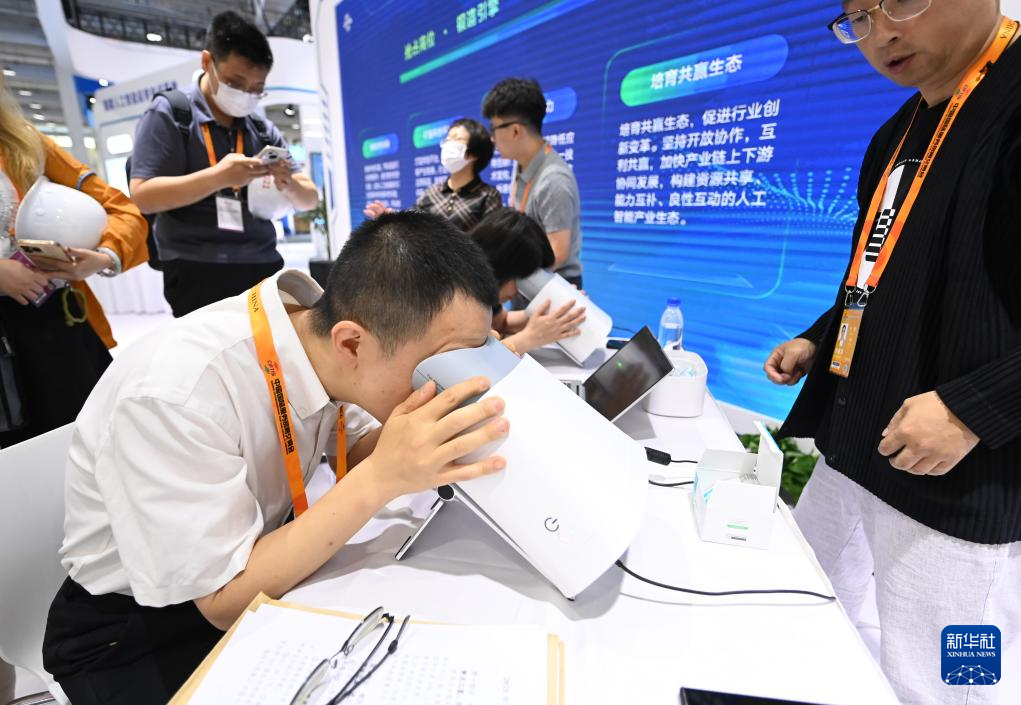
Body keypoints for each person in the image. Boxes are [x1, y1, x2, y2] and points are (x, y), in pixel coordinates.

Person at [42, 211, 509, 705]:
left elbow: (357, 448)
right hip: (137, 631)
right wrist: (381, 477)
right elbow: (222, 602)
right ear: (351, 343)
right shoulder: (178, 393)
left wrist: (423, 444)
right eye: (441, 365)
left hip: (257, 570)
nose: (449, 383)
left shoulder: (322, 339)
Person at [764, 2, 1020, 703]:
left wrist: (972, 409)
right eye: (858, 18)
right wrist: (820, 337)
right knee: (807, 615)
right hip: (855, 445)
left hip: (960, 485)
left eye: (900, 2)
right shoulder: (897, 130)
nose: (880, 34)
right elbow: (880, 272)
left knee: (947, 682)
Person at [128, 10, 318, 318]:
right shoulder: (172, 114)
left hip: (261, 263)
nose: (245, 95)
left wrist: (289, 183)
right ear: (207, 62)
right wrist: (219, 177)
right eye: (235, 82)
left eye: (256, 88)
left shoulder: (261, 129)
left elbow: (310, 199)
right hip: (197, 266)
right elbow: (144, 196)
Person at [0, 73, 147, 447]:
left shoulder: (26, 143)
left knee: (91, 447)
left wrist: (101, 256)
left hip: (56, 325)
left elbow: (121, 209)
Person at [482, 77, 583, 287]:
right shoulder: (522, 165)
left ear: (515, 131)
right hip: (529, 283)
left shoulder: (554, 180)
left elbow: (557, 253)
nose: (492, 138)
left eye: (494, 128)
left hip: (553, 288)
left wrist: (506, 277)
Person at [469, 208, 585, 355]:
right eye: (521, 279)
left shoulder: (483, 291)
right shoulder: (455, 297)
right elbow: (476, 362)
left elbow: (501, 322)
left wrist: (552, 315)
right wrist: (530, 338)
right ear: (500, 265)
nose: (518, 292)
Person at [364, 118, 502, 231]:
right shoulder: (433, 192)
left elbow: (491, 243)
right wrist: (391, 217)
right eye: (447, 139)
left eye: (456, 138)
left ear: (473, 154)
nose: (448, 144)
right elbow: (412, 222)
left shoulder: (488, 196)